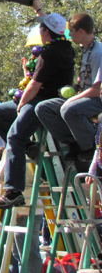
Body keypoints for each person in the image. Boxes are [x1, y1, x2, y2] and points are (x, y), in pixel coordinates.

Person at [0, 1, 75, 210]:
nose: (39, 30)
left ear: (46, 32)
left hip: (41, 102)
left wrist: (21, 104)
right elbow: (53, 25)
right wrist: (38, 8)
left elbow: (34, 86)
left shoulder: (48, 54)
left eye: (41, 27)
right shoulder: (66, 47)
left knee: (14, 137)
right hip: (41, 98)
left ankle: (13, 192)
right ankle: (30, 148)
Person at [36, 12, 102, 165]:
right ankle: (74, 142)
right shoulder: (85, 49)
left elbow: (96, 90)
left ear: (81, 31)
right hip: (84, 96)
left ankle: (91, 145)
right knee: (43, 108)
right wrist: (72, 88)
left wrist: (72, 99)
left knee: (68, 109)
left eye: (71, 31)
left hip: (97, 100)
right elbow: (84, 81)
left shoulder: (98, 53)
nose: (69, 35)